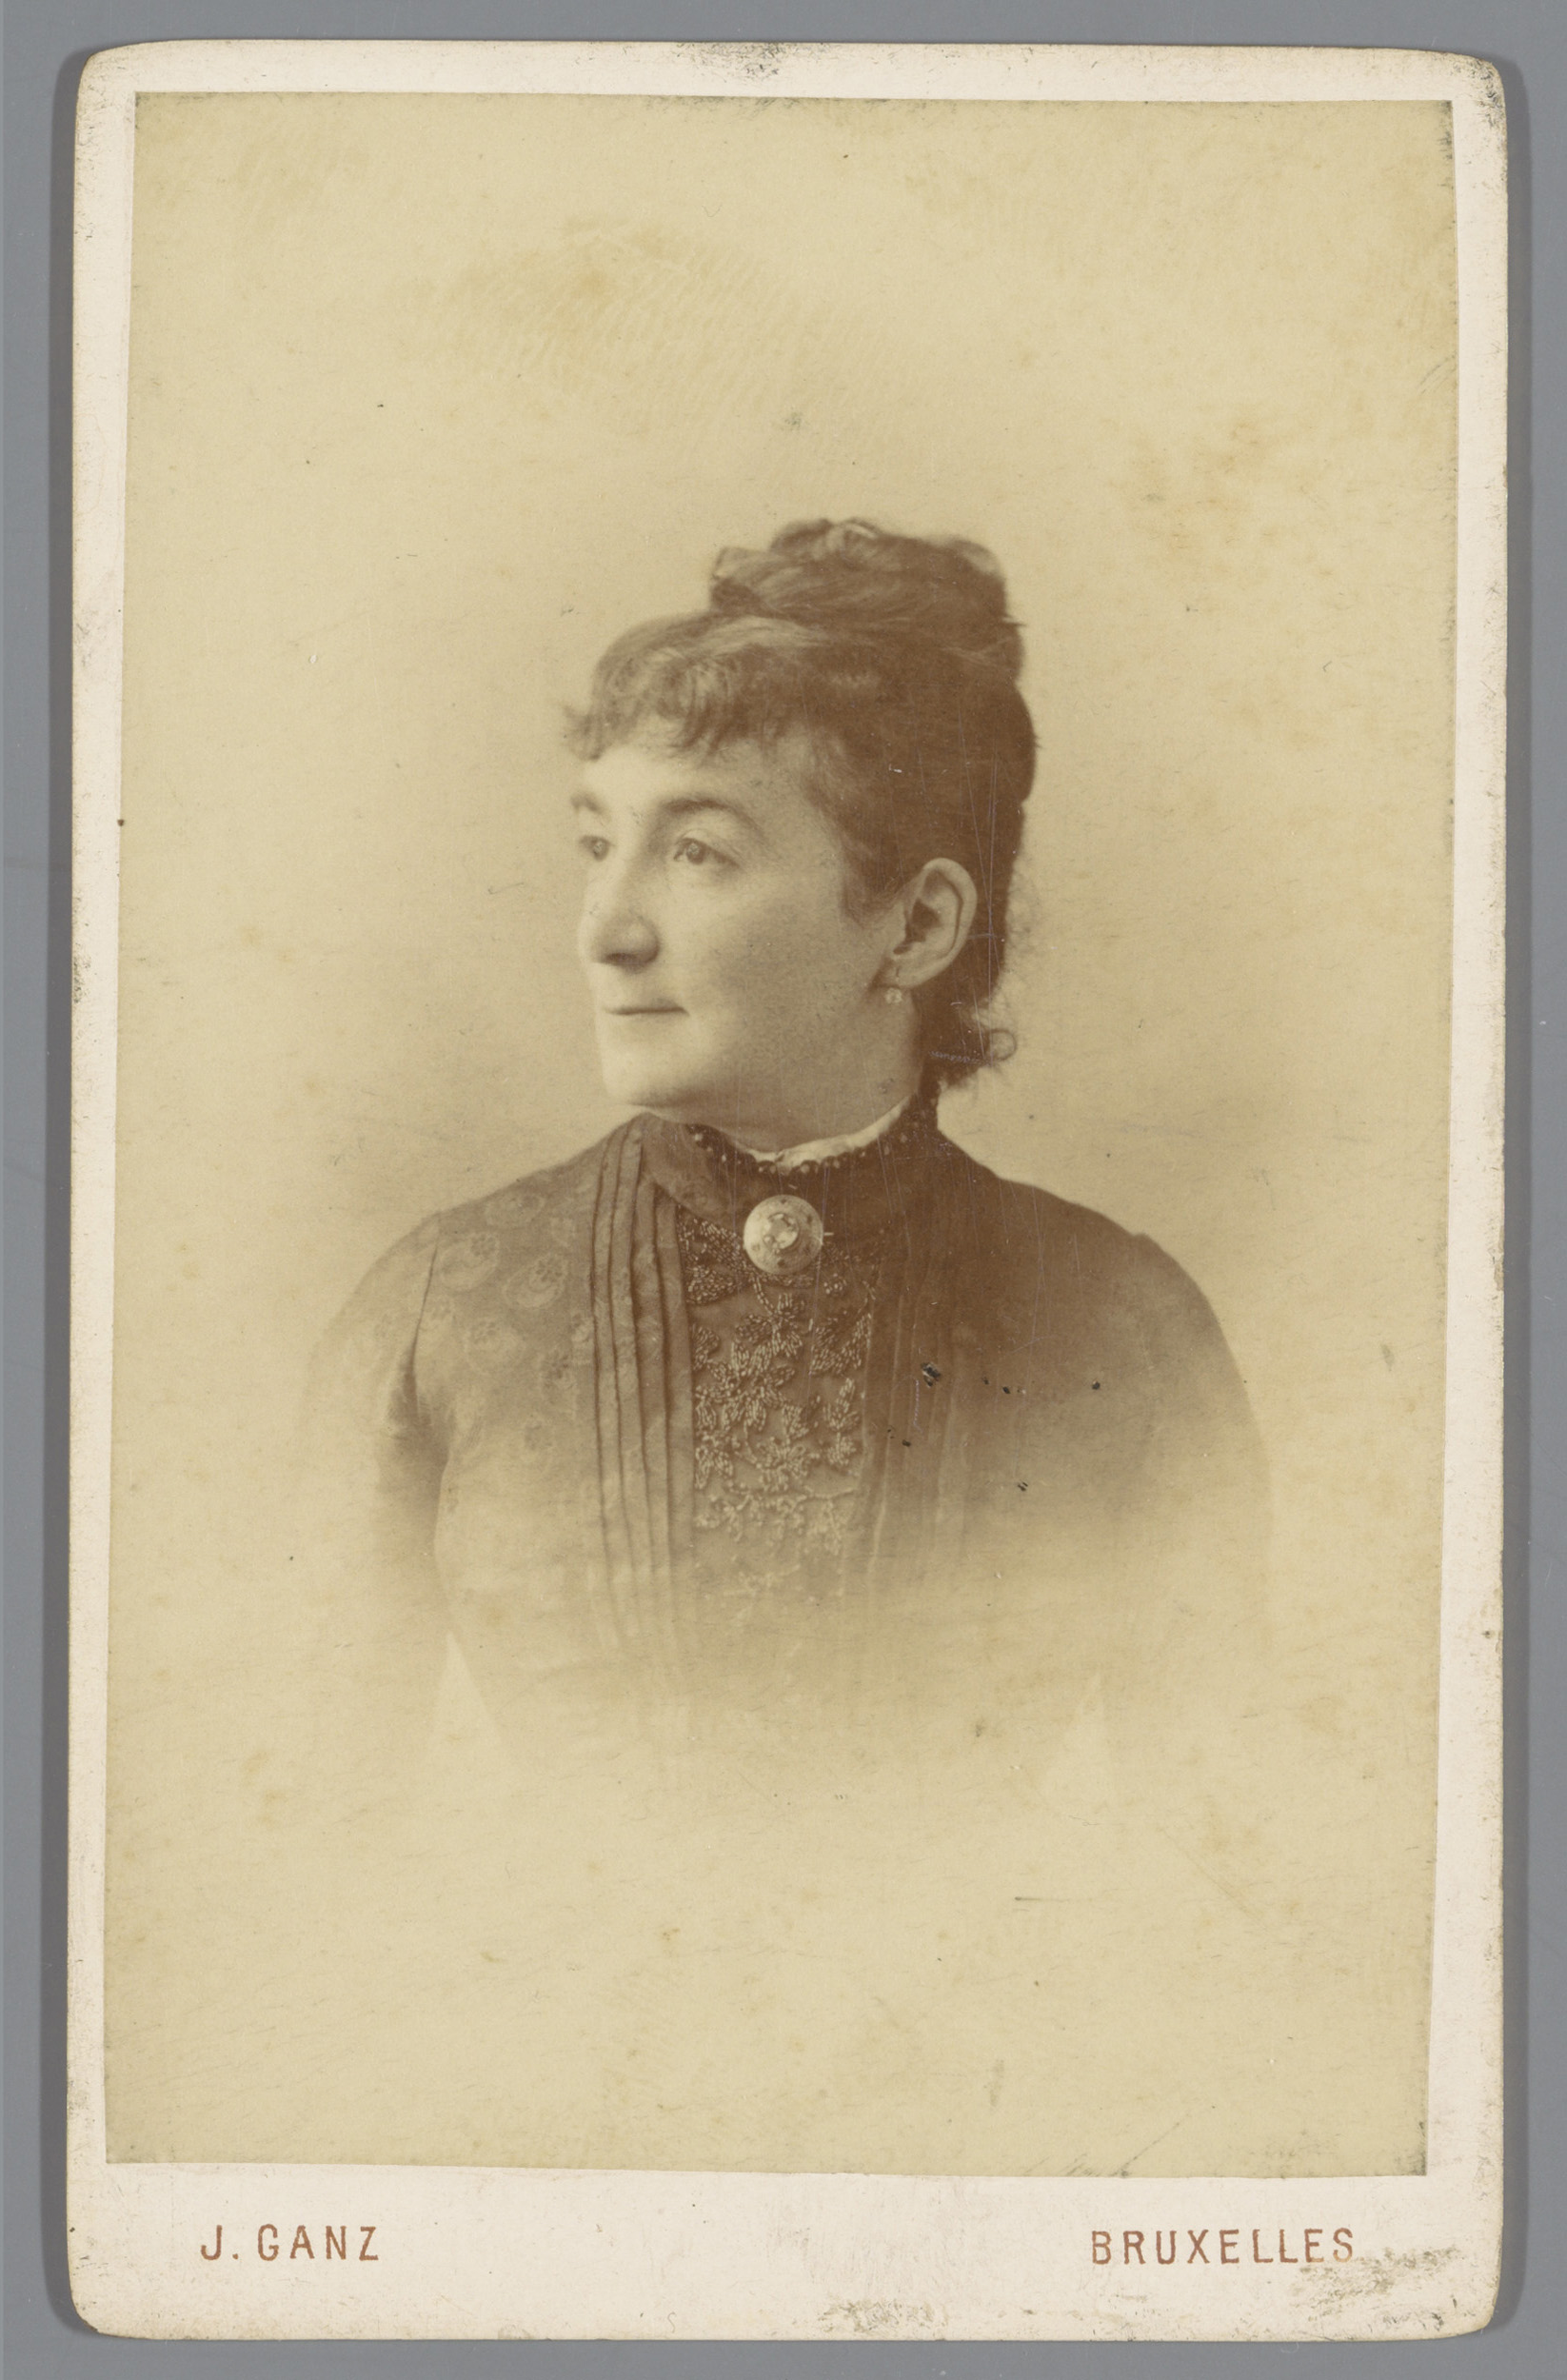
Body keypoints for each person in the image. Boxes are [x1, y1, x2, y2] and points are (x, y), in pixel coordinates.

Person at [301, 518, 1266, 1775]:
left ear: (915, 927)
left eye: (695, 852)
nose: (606, 930)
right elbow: (301, 1833)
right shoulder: (440, 1308)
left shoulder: (1120, 1326)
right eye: (598, 844)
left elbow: (1221, 1844)